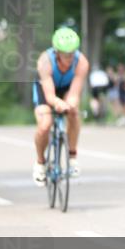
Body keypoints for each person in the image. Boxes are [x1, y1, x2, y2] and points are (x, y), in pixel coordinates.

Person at [32, 28, 89, 185]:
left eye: (72, 54)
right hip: (46, 88)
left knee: (74, 114)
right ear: (56, 52)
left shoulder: (82, 62)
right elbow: (50, 95)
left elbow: (74, 93)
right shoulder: (45, 61)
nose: (70, 58)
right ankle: (40, 163)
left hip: (67, 88)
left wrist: (69, 106)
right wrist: (57, 104)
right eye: (65, 55)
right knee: (44, 126)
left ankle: (72, 157)